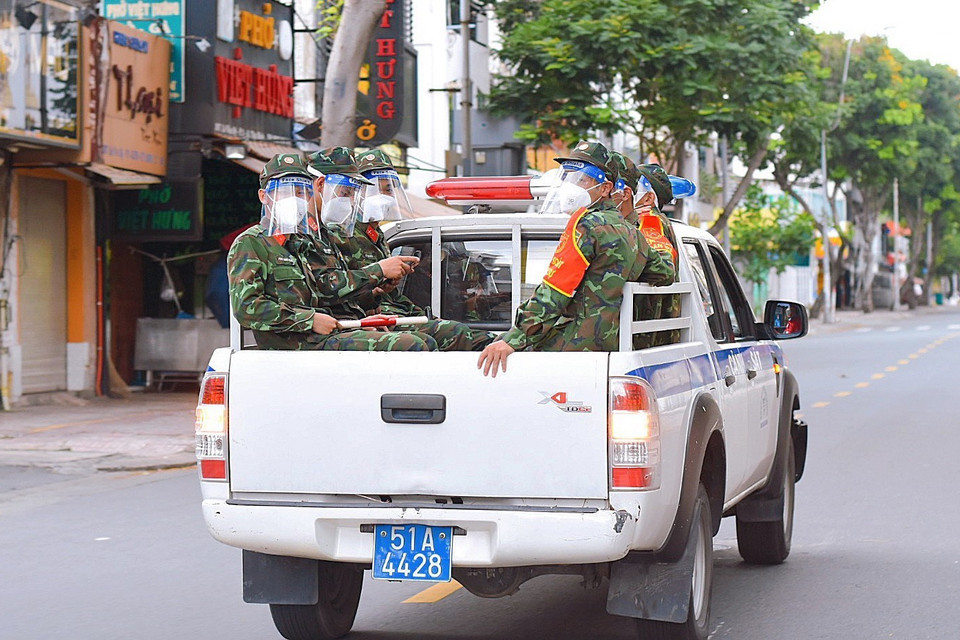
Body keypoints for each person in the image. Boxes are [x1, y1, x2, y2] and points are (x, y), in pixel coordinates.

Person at [477, 141, 675, 377]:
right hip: (608, 346)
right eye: (570, 177)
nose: (572, 186)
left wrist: (513, 339)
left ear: (605, 188)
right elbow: (664, 272)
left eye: (582, 179)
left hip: (571, 347)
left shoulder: (586, 225)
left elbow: (554, 292)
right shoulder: (631, 231)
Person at [228, 153, 434, 351]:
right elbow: (246, 308)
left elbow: (321, 296)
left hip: (323, 335)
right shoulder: (251, 243)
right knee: (411, 346)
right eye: (286, 191)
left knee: (424, 341)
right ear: (264, 197)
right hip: (293, 344)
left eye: (301, 191)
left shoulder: (299, 243)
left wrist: (356, 320)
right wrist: (309, 321)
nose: (296, 198)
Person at [329, 148, 496, 351]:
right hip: (369, 318)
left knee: (466, 333)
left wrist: (393, 292)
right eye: (375, 188)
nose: (384, 196)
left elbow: (386, 294)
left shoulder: (377, 235)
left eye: (388, 189)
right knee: (441, 337)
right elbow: (335, 289)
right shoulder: (342, 233)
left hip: (393, 311)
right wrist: (378, 276)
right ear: (358, 192)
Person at [293, 146, 439, 350]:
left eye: (353, 193)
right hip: (315, 333)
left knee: (444, 334)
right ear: (320, 185)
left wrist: (376, 292)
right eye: (345, 193)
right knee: (417, 345)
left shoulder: (327, 233)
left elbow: (338, 292)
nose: (350, 200)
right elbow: (321, 290)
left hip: (347, 322)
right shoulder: (299, 236)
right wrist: (378, 272)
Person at [633, 163, 684, 348]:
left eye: (633, 187)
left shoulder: (649, 220)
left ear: (648, 198)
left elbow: (662, 269)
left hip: (645, 335)